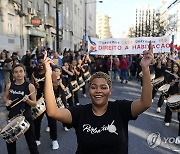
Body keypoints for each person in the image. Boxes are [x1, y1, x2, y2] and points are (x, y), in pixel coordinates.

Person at [43, 42, 153, 153]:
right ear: (89, 90)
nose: (98, 91)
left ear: (110, 91)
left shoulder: (120, 109)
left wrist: (145, 68)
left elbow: (145, 103)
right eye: (94, 87)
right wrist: (48, 74)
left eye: (103, 87)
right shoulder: (80, 113)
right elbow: (53, 112)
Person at [3, 64, 39, 154]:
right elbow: (5, 97)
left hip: (26, 115)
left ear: (24, 73)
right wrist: (7, 101)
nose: (18, 74)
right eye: (16, 72)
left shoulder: (30, 86)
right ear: (13, 74)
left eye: (21, 71)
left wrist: (27, 100)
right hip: (12, 115)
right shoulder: (9, 85)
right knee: (10, 142)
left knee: (31, 142)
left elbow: (34, 104)